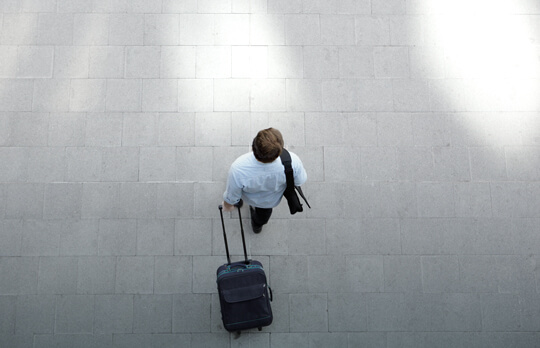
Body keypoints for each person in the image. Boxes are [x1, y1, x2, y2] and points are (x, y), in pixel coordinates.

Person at [222, 128, 307, 233]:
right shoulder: (293, 161)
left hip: (248, 196)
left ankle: (240, 203)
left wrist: (228, 205)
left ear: (253, 147)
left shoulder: (238, 168)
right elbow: (299, 181)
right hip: (268, 202)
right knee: (262, 217)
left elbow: (232, 194)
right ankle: (257, 226)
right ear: (280, 149)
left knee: (238, 197)